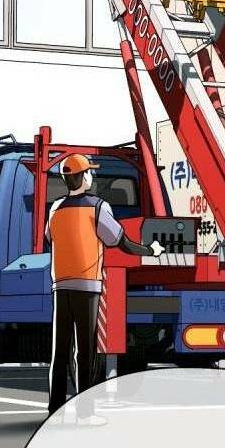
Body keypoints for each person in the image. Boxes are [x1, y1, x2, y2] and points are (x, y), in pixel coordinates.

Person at [46, 152, 162, 416]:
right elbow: (120, 241)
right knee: (85, 352)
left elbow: (49, 237)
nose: (91, 176)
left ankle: (54, 410)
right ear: (84, 177)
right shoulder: (98, 207)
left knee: (60, 351)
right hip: (87, 286)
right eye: (89, 172)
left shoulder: (55, 208)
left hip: (60, 285)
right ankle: (85, 411)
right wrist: (150, 250)